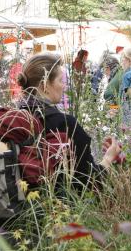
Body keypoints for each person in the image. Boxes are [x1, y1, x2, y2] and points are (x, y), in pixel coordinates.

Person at [17, 53, 121, 182]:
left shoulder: (13, 120)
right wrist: (109, 158)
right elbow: (90, 181)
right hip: (58, 201)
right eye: (61, 80)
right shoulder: (65, 124)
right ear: (45, 85)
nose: (64, 86)